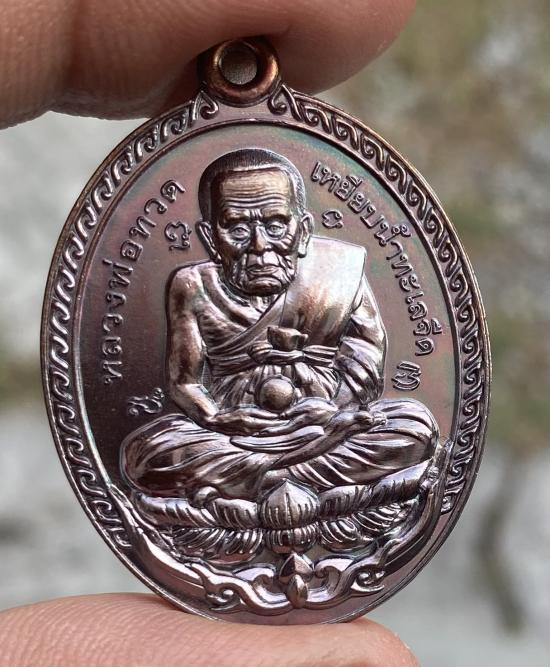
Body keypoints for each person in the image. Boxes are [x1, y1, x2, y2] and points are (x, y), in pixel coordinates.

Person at [0, 1, 420, 665]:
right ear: (210, 235)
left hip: (324, 426)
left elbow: (366, 360)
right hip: (232, 438)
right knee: (146, 457)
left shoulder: (338, 274)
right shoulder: (192, 287)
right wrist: (226, 419)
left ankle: (260, 490)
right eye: (238, 227)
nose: (259, 242)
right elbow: (184, 381)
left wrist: (327, 408)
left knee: (412, 429)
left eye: (274, 224)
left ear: (302, 229)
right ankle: (291, 486)